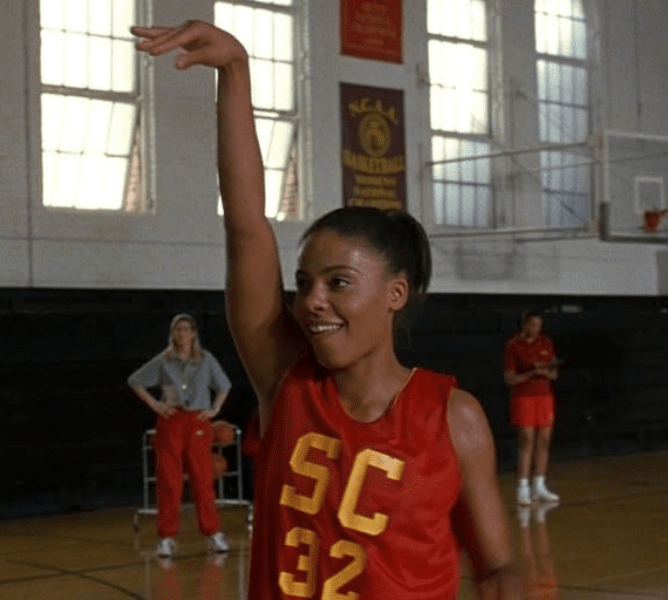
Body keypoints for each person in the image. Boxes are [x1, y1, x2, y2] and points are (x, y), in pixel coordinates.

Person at [133, 21, 520, 600]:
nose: (313, 300)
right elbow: (246, 228)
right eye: (304, 282)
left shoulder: (453, 418)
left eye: (339, 283)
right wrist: (236, 73)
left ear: (396, 293)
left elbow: (498, 567)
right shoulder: (286, 381)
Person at [128, 313, 232, 557]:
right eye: (178, 330)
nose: (182, 334)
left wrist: (215, 409)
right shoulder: (164, 361)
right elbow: (135, 380)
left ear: (193, 333)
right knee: (169, 479)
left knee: (202, 478)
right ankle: (166, 536)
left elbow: (224, 385)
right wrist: (155, 405)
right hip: (171, 420)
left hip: (196, 420)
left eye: (186, 329)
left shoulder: (205, 359)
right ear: (173, 334)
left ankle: (212, 531)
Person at [502, 311, 560, 505]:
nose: (536, 329)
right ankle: (523, 486)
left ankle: (539, 485)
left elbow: (554, 374)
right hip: (524, 397)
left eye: (539, 325)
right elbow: (510, 378)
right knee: (527, 440)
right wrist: (531, 373)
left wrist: (545, 371)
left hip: (544, 397)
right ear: (525, 324)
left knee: (544, 440)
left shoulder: (546, 343)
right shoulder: (514, 345)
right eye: (532, 325)